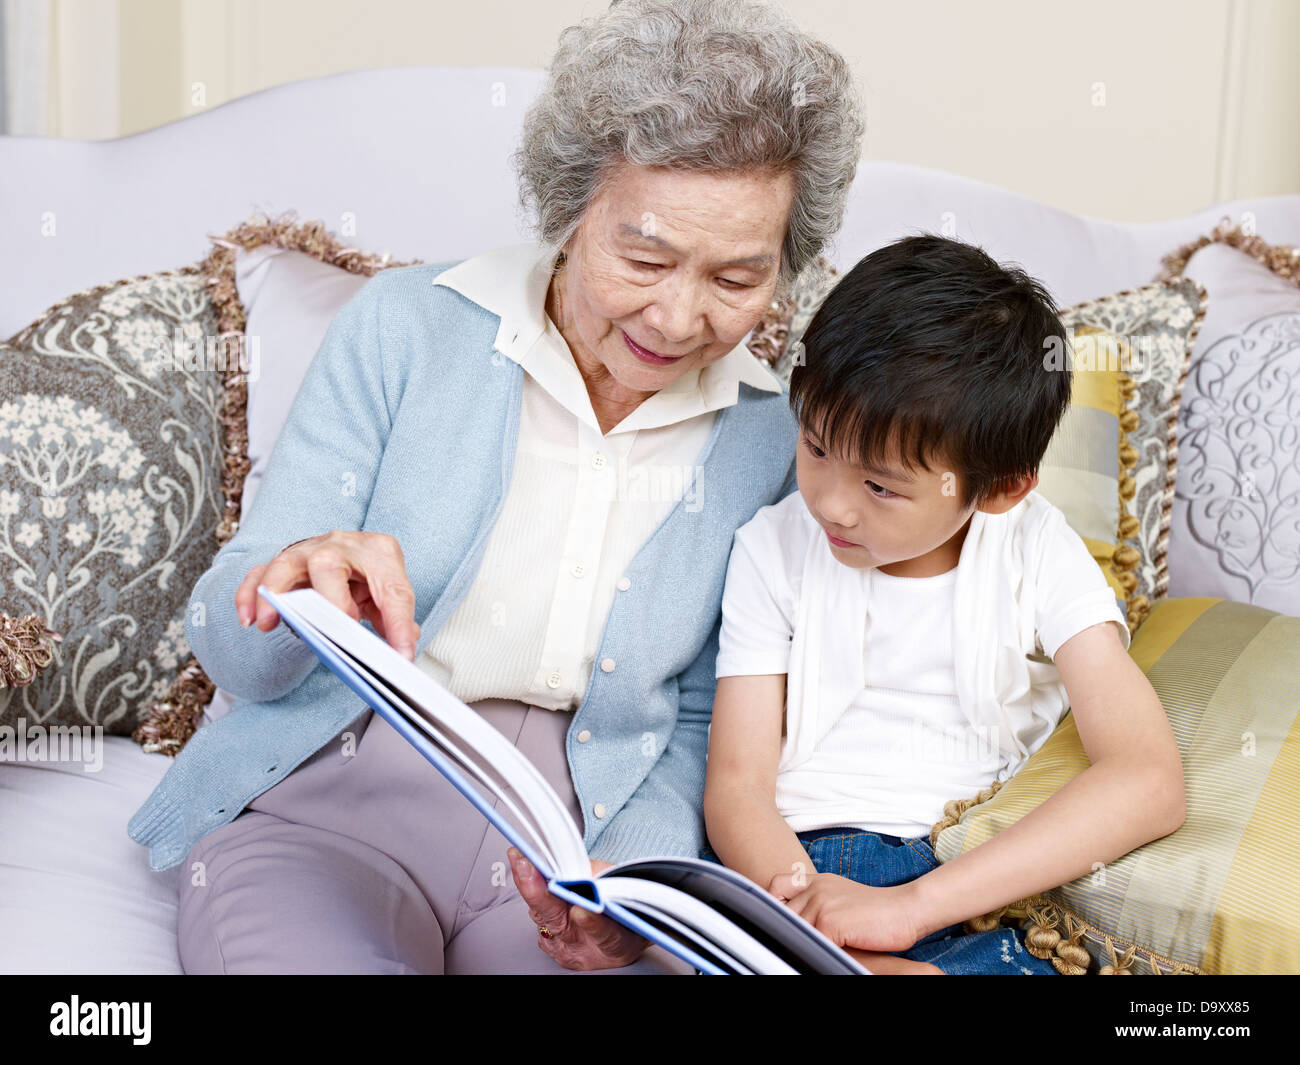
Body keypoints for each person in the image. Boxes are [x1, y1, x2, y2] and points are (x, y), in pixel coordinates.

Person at [126, 0, 867, 973]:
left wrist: (632, 885)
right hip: (329, 802)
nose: (679, 316)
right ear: (569, 211)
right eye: (643, 258)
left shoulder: (770, 437)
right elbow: (234, 648)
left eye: (736, 279)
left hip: (569, 839)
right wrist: (290, 581)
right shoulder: (404, 331)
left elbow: (698, 717)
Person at [699, 235, 1187, 975]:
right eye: (816, 445)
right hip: (795, 867)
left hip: (976, 878)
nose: (830, 502)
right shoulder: (773, 546)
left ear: (996, 489)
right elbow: (737, 785)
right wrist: (808, 919)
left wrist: (910, 909)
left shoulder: (1034, 549)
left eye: (882, 486)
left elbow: (1147, 779)